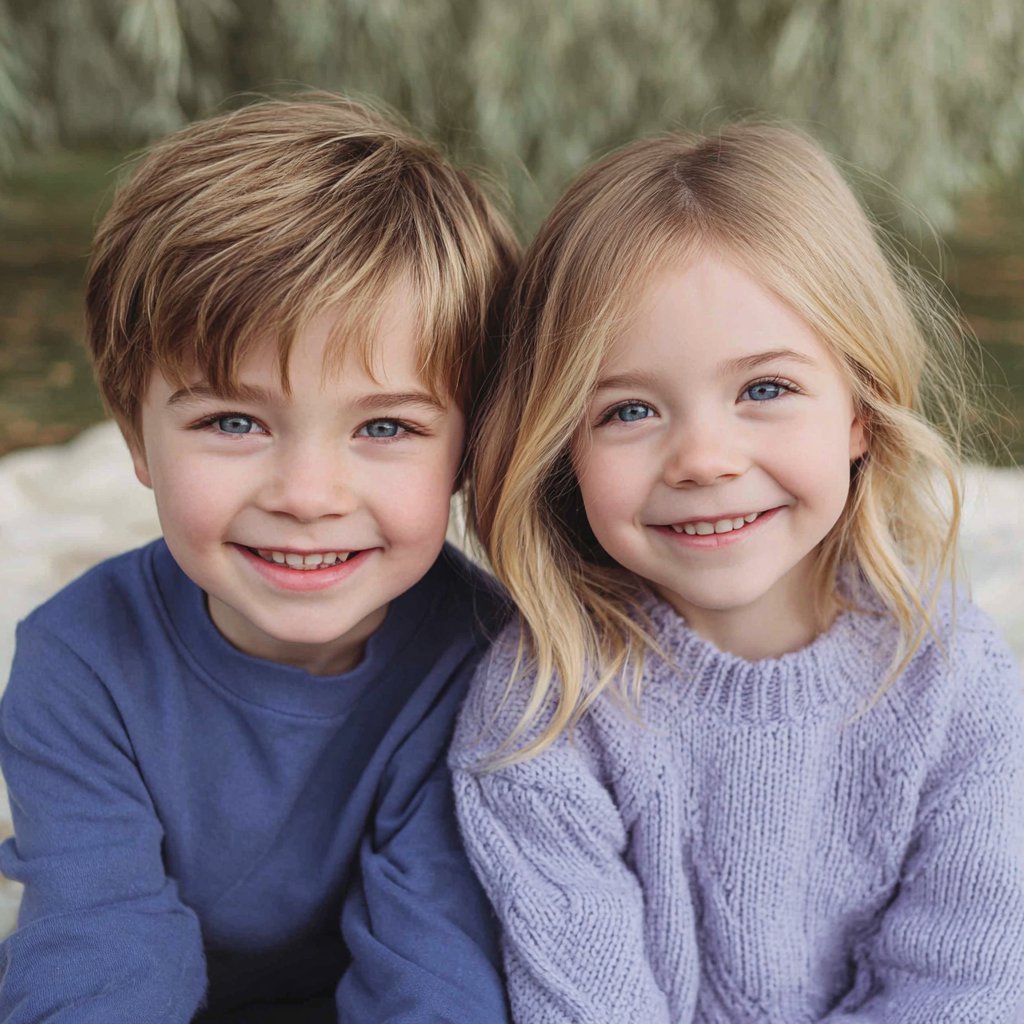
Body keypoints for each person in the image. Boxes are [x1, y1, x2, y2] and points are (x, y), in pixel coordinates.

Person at [451, 125, 1024, 1022]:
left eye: (764, 390)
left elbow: (968, 986)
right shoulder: (542, 713)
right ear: (563, 449)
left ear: (860, 413)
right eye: (629, 410)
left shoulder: (955, 680)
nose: (704, 460)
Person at [0, 96, 518, 1023]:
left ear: (469, 449)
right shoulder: (75, 661)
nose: (307, 493)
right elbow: (98, 948)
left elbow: (436, 969)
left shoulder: (481, 661)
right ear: (134, 436)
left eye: (387, 425)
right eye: (232, 421)